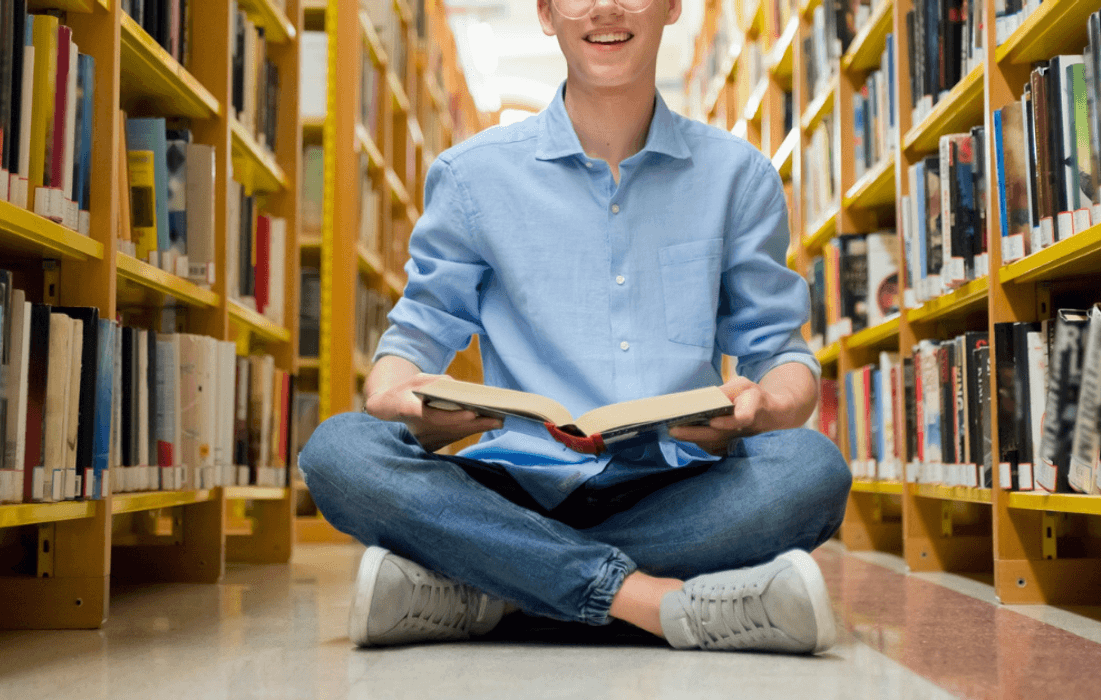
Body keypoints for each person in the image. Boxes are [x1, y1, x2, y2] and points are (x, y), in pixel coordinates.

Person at [297, 0, 852, 655]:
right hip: (516, 484)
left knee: (810, 472)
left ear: (672, 7)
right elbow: (411, 339)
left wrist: (764, 406)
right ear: (545, 12)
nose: (605, 9)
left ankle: (489, 588)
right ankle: (655, 601)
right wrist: (399, 400)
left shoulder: (738, 176)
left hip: (673, 485)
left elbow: (779, 355)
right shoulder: (472, 176)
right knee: (339, 452)